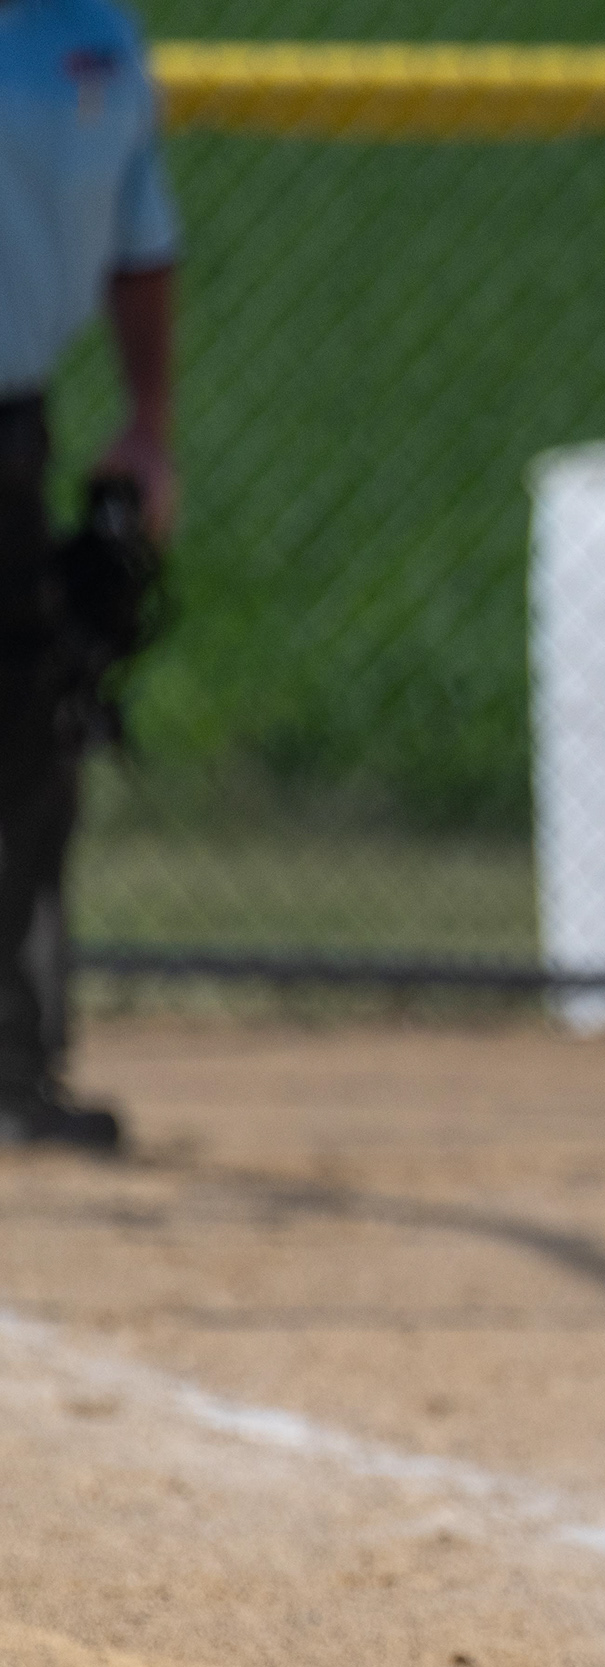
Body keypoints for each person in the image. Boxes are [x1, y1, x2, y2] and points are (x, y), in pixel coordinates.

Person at [1, 0, 177, 1154]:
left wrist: (150, 427)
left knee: (32, 732)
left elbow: (140, 242)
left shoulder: (97, 33)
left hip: (13, 426)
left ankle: (11, 1063)